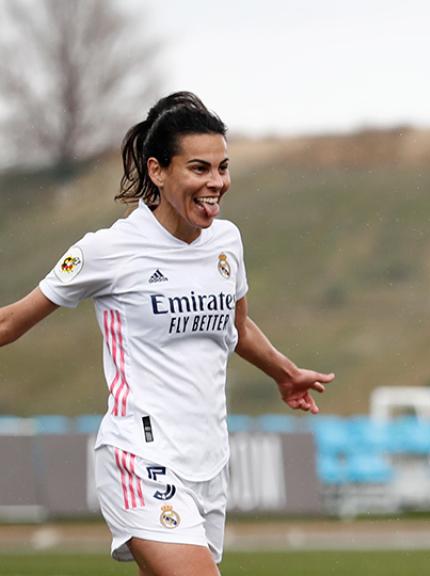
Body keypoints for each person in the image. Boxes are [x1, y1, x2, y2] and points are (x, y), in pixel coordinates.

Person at [0, 92, 334, 575]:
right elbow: (11, 322)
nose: (216, 183)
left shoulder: (227, 242)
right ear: (157, 171)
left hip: (209, 462)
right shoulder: (109, 250)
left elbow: (235, 326)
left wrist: (284, 373)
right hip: (140, 454)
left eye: (223, 168)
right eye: (199, 169)